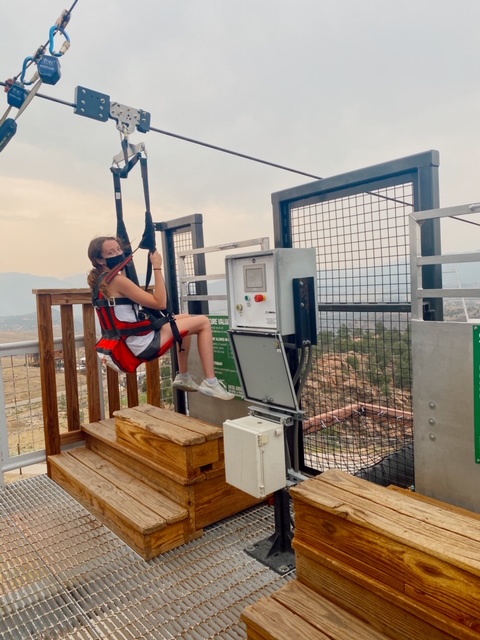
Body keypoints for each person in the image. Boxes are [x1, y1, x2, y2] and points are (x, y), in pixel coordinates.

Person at [87, 236, 234, 400]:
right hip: (141, 344)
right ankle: (211, 382)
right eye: (111, 252)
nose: (118, 254)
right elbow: (160, 303)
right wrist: (157, 267)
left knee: (185, 318)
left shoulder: (101, 281)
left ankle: (183, 376)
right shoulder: (117, 280)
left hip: (130, 340)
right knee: (203, 322)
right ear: (100, 260)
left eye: (119, 249)